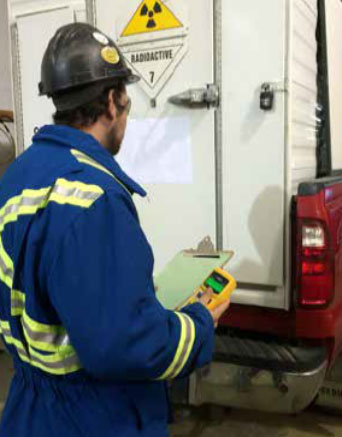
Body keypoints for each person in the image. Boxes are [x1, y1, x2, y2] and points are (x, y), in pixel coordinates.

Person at [0, 23, 229, 437]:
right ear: (111, 102)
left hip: (29, 407)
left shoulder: (16, 177)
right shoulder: (95, 198)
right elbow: (128, 346)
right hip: (92, 417)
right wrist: (199, 323)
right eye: (126, 102)